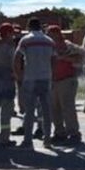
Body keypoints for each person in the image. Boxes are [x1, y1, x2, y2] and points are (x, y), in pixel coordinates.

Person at [13, 17, 55, 149]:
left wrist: (19, 75)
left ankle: (27, 140)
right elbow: (54, 60)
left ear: (29, 27)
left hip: (30, 78)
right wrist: (50, 74)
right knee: (46, 111)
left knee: (29, 111)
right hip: (45, 78)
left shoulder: (26, 40)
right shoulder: (49, 41)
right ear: (40, 27)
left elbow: (17, 58)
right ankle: (47, 139)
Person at [49, 25, 85, 145]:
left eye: (52, 33)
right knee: (55, 109)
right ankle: (59, 133)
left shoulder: (67, 45)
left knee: (68, 108)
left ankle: (74, 133)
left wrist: (64, 57)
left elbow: (81, 56)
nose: (50, 35)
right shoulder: (48, 47)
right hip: (53, 81)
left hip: (67, 80)